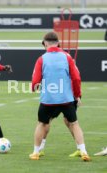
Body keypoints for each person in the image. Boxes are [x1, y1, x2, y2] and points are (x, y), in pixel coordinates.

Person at [29, 32, 90, 161]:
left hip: (48, 100)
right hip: (66, 99)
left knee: (42, 124)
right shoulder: (67, 57)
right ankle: (84, 151)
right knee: (74, 123)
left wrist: (34, 87)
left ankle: (35, 153)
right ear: (58, 43)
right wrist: (77, 95)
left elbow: (35, 80)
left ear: (45, 43)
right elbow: (76, 78)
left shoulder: (42, 59)